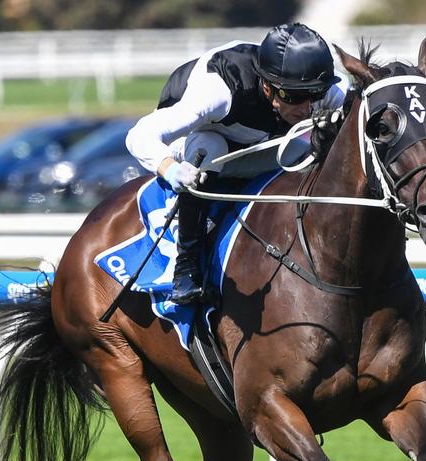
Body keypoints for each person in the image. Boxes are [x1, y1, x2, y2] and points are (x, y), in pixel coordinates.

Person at [126, 22, 349, 305]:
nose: (307, 108)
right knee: (210, 147)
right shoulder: (219, 91)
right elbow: (138, 136)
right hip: (197, 143)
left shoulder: (320, 88)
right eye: (293, 97)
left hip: (258, 143)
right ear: (267, 86)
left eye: (314, 95)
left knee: (309, 150)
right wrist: (170, 168)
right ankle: (187, 266)